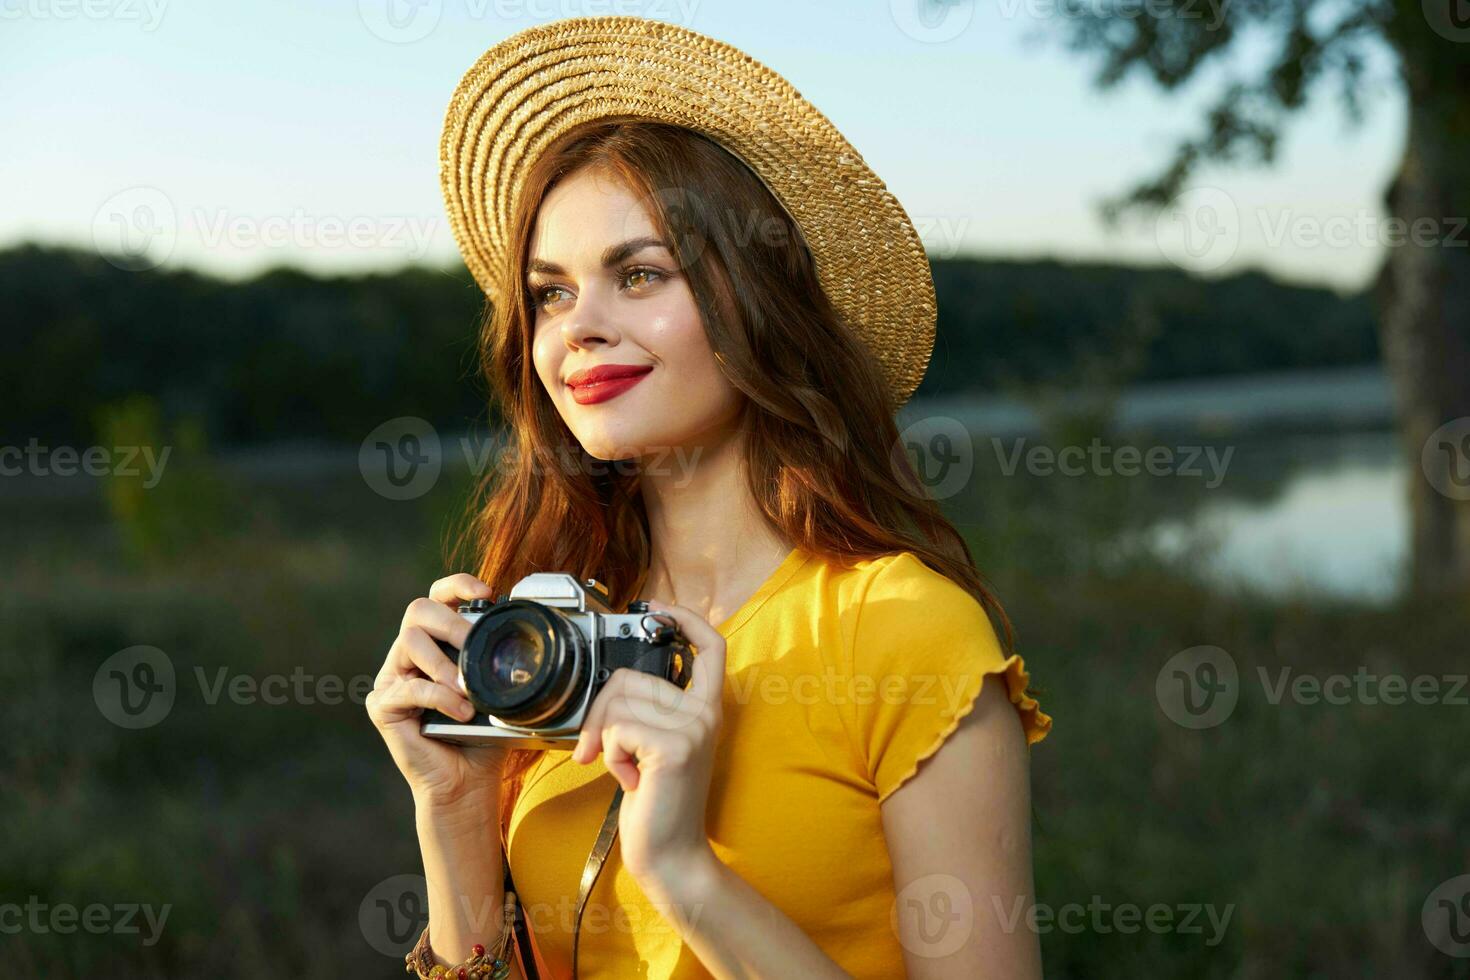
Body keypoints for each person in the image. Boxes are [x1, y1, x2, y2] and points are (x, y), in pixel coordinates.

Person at [368, 16, 1053, 979]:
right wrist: (452, 813)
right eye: (551, 293)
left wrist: (686, 874)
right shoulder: (544, 642)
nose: (580, 330)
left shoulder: (906, 634)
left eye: (639, 274)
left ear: (756, 305)